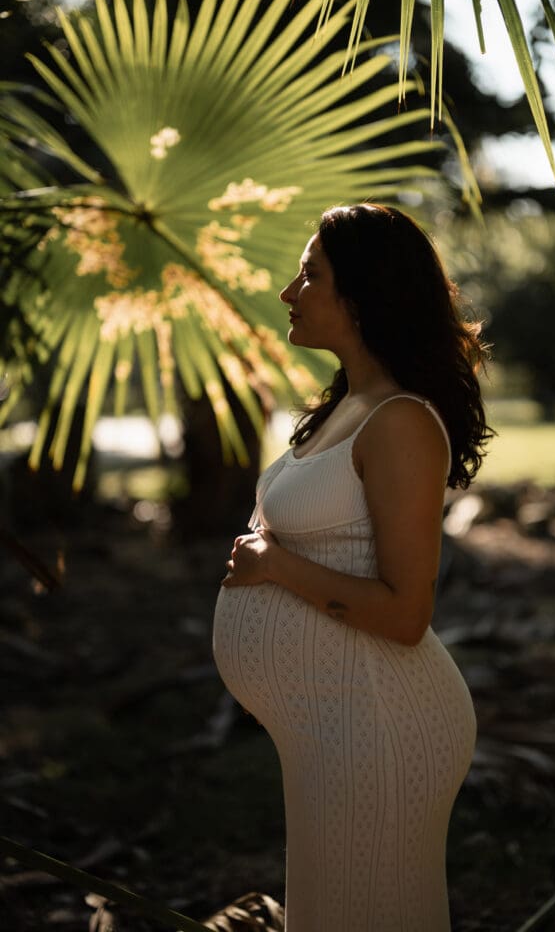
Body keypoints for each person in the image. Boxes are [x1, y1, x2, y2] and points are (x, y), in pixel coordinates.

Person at [213, 203, 492, 932]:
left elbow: (405, 615)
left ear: (363, 296)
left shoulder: (398, 421)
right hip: (333, 726)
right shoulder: (349, 404)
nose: (288, 292)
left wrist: (276, 566)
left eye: (311, 275)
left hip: (378, 724)